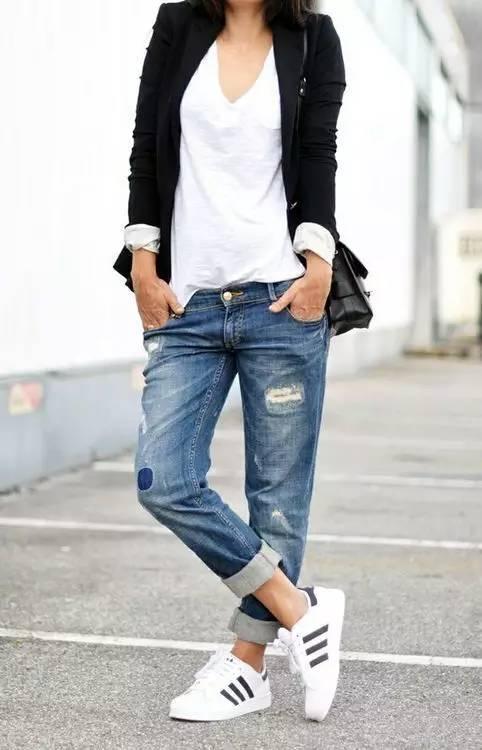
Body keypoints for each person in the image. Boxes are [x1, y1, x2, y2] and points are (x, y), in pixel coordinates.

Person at [114, 0, 346, 723]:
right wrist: (144, 261)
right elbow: (145, 144)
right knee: (163, 479)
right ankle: (299, 609)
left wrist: (318, 263)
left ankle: (248, 665)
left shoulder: (315, 38)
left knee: (278, 498)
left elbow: (318, 153)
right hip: (187, 304)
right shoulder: (178, 25)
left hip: (282, 297)